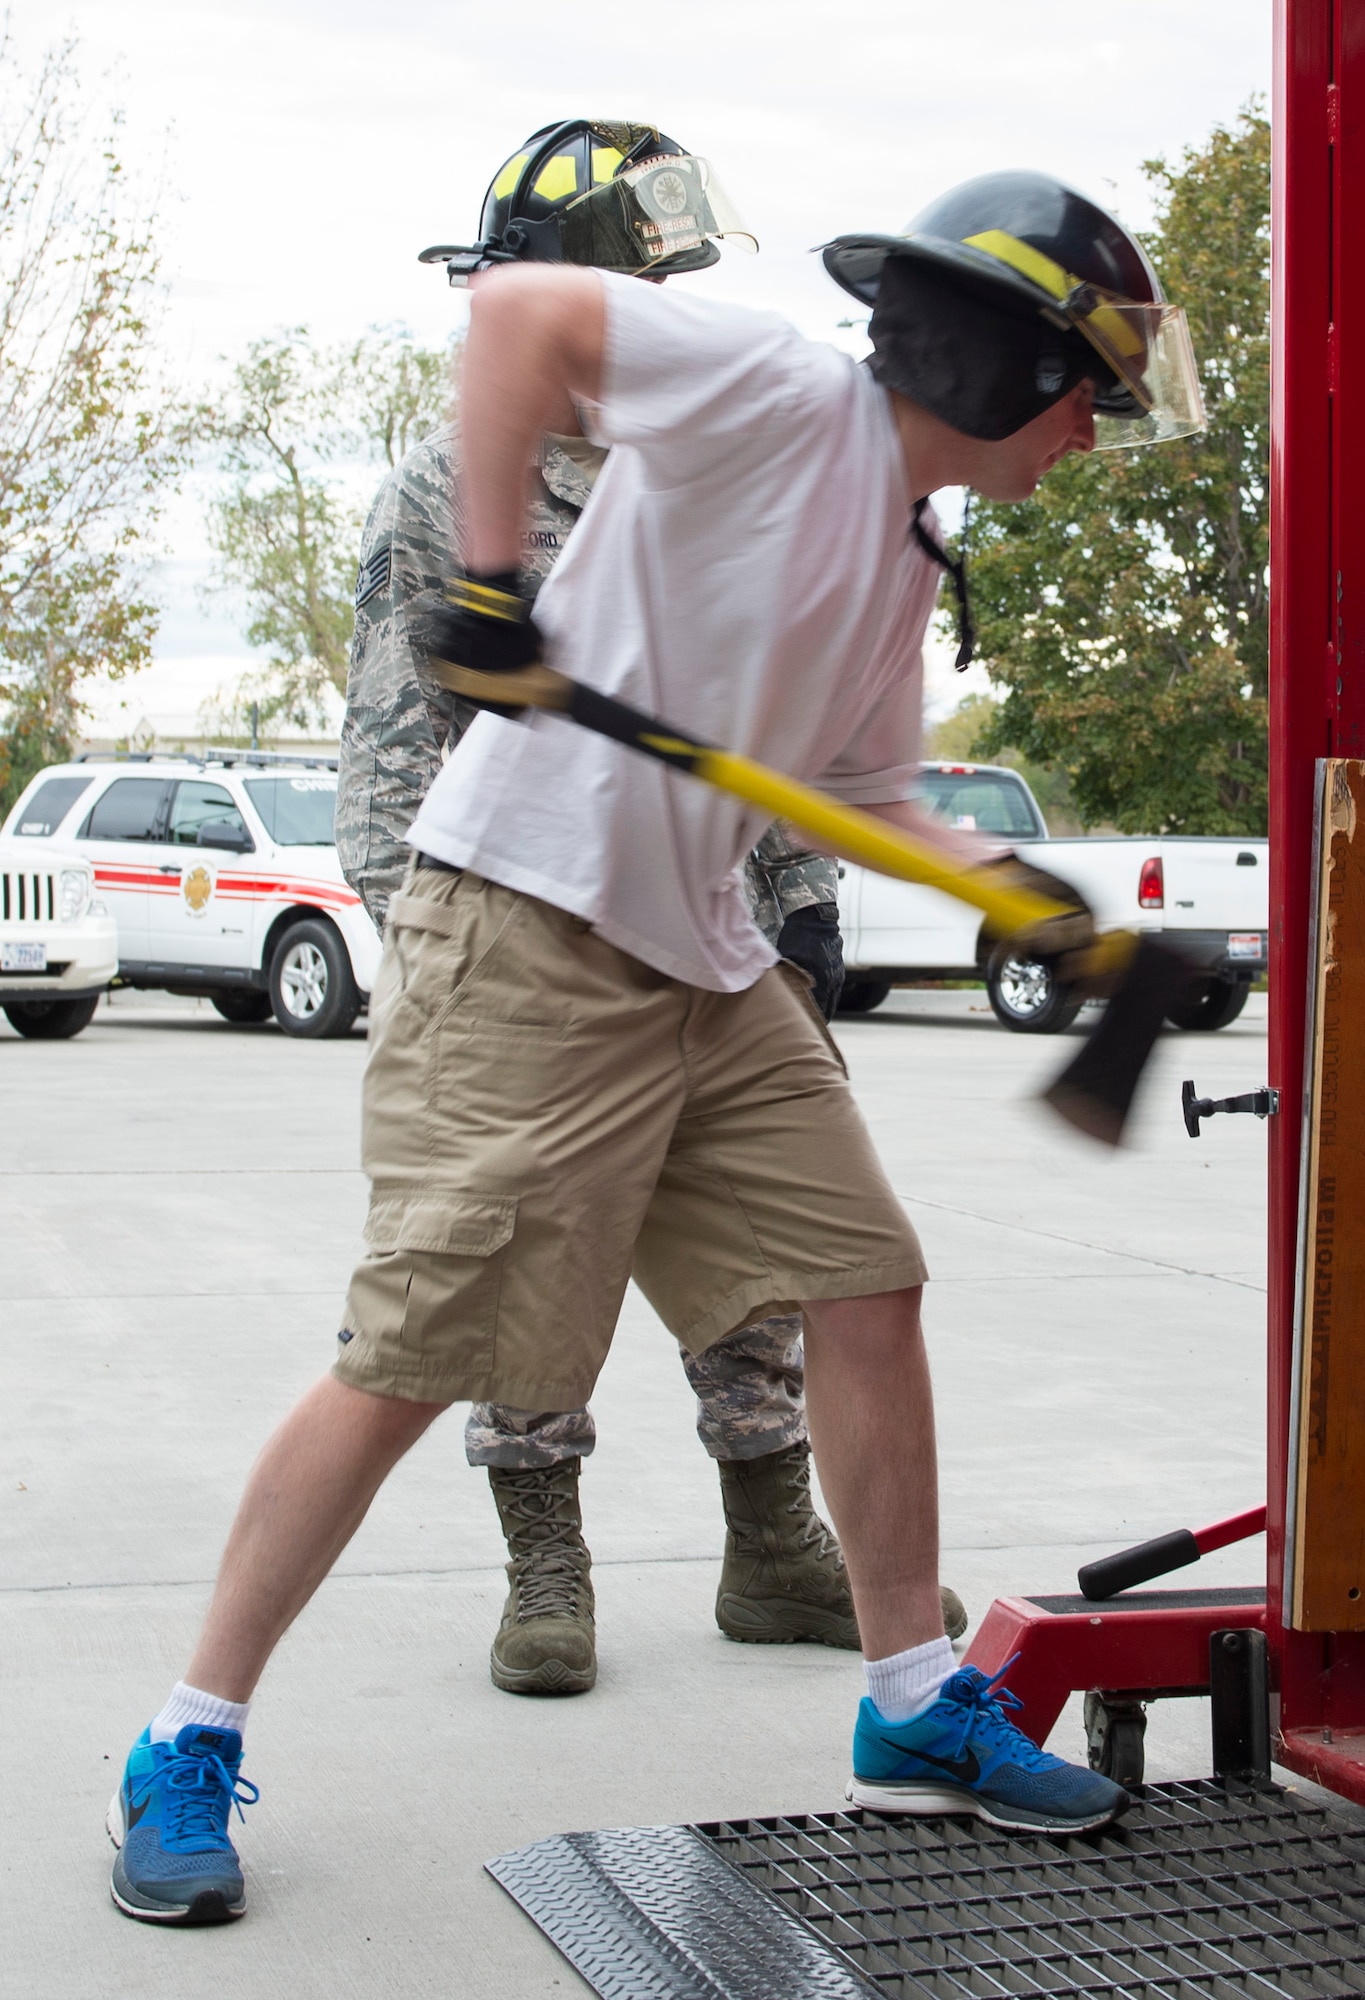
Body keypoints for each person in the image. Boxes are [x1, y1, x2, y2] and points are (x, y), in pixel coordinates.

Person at [110, 167, 1205, 1926]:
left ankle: (915, 1703)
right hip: (525, 927)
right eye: (1091, 388)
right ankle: (184, 1735)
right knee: (420, 1350)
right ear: (1004, 367)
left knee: (867, 1279)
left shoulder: (906, 556)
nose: (1097, 429)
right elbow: (518, 317)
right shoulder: (775, 390)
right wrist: (486, 580)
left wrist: (1040, 901)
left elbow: (856, 797)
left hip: (703, 958)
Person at [335, 120, 961, 1700]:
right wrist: (431, 941)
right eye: (650, 274)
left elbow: (800, 716)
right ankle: (544, 1554)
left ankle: (773, 1544)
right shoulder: (449, 481)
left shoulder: (723, 440)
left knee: (771, 1275)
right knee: (521, 1268)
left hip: (710, 918)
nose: (671, 295)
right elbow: (402, 734)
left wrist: (807, 903)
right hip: (518, 913)